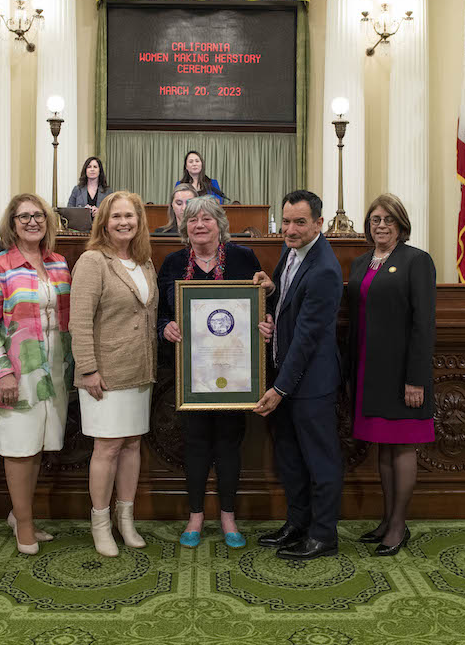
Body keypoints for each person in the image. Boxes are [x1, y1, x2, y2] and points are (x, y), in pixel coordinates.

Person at [0, 193, 72, 555]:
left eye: (38, 216)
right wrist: (3, 372)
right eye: (24, 217)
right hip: (18, 369)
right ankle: (24, 525)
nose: (32, 221)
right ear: (12, 223)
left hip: (54, 369)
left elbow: (67, 318)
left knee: (36, 446)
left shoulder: (59, 264)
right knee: (18, 448)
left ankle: (21, 515)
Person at [157, 196, 272, 549]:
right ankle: (195, 514)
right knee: (194, 443)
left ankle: (227, 515)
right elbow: (159, 313)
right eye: (192, 220)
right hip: (191, 372)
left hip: (236, 372)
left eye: (207, 218)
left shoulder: (242, 258)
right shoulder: (173, 263)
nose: (199, 225)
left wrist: (266, 321)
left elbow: (263, 302)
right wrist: (166, 327)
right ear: (184, 227)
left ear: (220, 223)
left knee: (228, 443)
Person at [252, 190, 344, 561]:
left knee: (320, 462)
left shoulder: (323, 268)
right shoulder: (291, 253)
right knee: (290, 458)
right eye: (286, 221)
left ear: (319, 224)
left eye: (300, 222)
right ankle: (298, 524)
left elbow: (308, 338)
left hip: (310, 384)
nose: (290, 229)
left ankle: (323, 536)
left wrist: (279, 388)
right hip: (288, 379)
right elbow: (290, 305)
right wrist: (272, 297)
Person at [346, 193, 436, 556]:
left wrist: (416, 378)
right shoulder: (361, 263)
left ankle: (399, 525)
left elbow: (423, 323)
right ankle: (386, 518)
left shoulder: (417, 261)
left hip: (403, 372)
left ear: (401, 225)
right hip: (370, 368)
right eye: (375, 219)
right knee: (382, 446)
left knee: (401, 445)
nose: (380, 225)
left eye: (388, 220)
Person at [70, 191, 158, 557]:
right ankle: (101, 523)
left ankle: (126, 519)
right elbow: (79, 320)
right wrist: (88, 369)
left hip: (139, 371)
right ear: (103, 222)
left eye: (130, 216)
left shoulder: (145, 261)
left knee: (133, 444)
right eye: (116, 216)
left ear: (139, 222)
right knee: (106, 447)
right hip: (103, 374)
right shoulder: (93, 261)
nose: (124, 222)